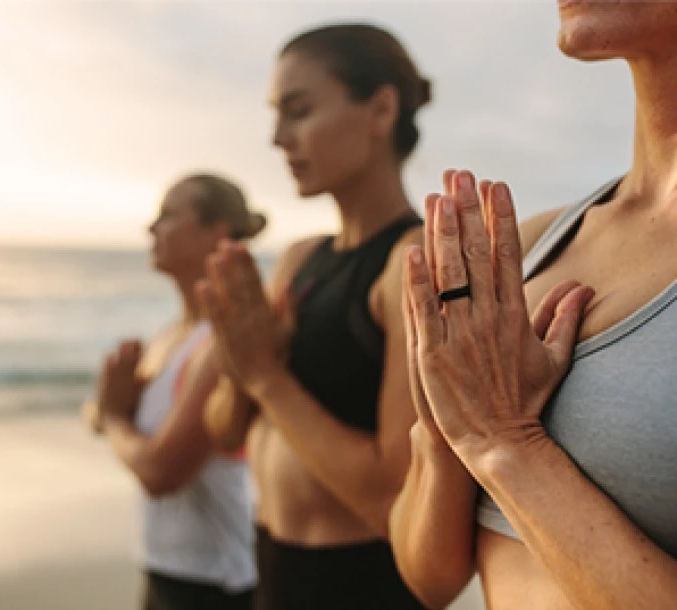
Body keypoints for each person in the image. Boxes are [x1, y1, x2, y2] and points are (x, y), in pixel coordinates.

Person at [391, 3, 677, 609]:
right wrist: (448, 435)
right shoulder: (532, 244)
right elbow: (431, 578)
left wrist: (504, 441)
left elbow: (495, 439)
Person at [199, 23, 431, 610]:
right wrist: (238, 363)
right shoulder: (299, 260)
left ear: (380, 111)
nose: (278, 138)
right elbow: (226, 432)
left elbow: (395, 498)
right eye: (276, 115)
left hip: (362, 584)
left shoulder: (414, 264)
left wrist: (267, 379)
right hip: (272, 566)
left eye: (298, 111)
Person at [85, 173, 266, 610]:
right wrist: (110, 409)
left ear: (216, 232)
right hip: (164, 569)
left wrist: (113, 417)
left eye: (167, 215)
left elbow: (160, 472)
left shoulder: (221, 342)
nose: (152, 229)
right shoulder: (170, 337)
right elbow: (98, 413)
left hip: (216, 585)